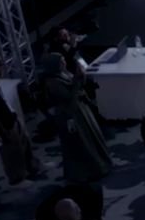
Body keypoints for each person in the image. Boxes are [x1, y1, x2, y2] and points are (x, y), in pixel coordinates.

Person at [39, 53, 112, 183]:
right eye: (61, 62)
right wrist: (77, 81)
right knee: (81, 143)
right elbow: (69, 99)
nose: (64, 63)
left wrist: (81, 76)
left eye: (63, 60)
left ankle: (99, 165)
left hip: (80, 110)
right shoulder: (53, 82)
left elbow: (77, 86)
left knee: (90, 138)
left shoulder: (63, 73)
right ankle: (85, 172)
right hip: (70, 115)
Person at [0, 55, 41, 184]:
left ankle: (33, 167)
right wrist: (2, 130)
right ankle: (17, 180)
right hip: (4, 126)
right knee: (12, 153)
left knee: (24, 145)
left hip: (11, 120)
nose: (0, 69)